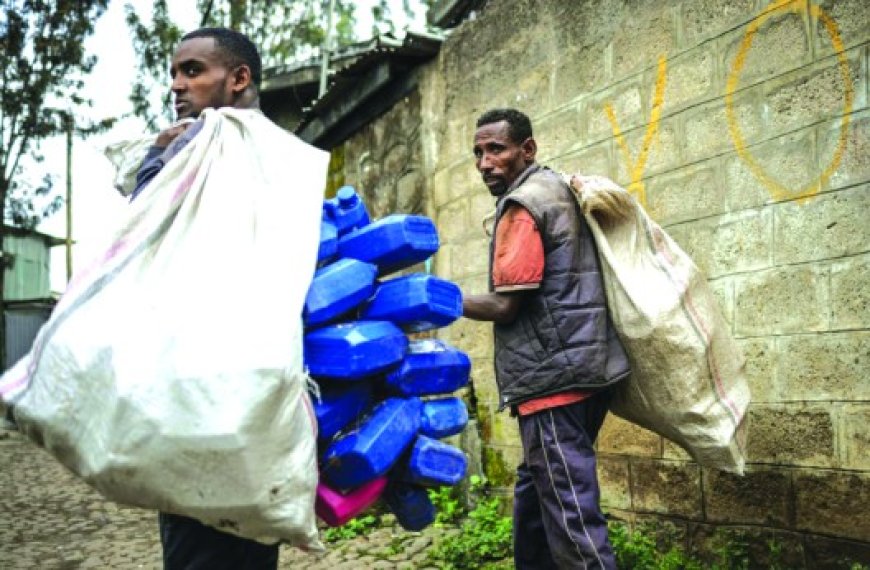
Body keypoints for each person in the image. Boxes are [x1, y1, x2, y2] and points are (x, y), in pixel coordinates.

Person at [132, 28, 280, 570]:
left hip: (202, 397)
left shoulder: (206, 147)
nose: (177, 84)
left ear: (239, 78)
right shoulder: (277, 151)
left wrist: (156, 155)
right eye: (174, 72)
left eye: (192, 70)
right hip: (259, 399)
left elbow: (145, 232)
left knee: (201, 551)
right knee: (248, 551)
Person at [462, 108, 631, 570]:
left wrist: (435, 298)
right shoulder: (557, 188)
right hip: (586, 371)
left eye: (495, 149)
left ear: (527, 150)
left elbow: (506, 304)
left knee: (572, 518)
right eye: (478, 153)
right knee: (535, 500)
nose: (484, 163)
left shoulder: (523, 206)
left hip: (553, 385)